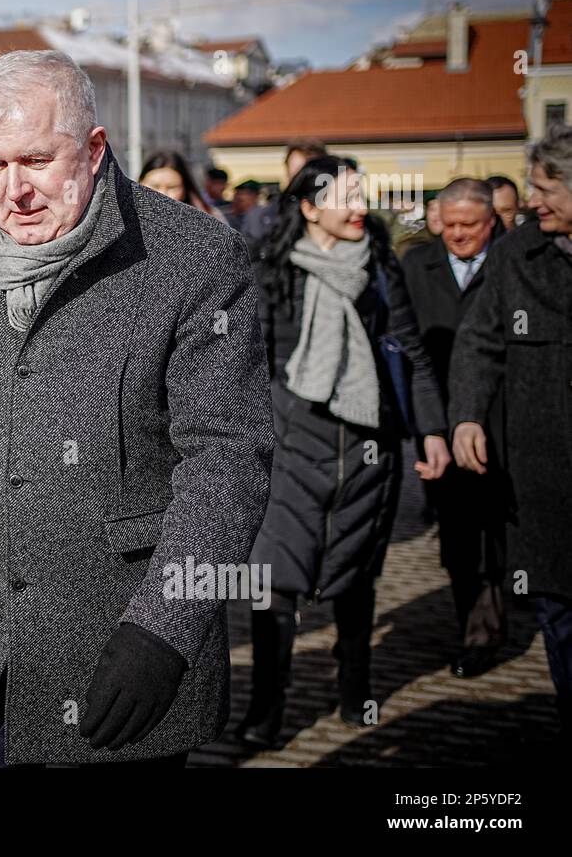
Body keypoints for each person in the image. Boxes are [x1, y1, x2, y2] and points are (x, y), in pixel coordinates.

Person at [0, 50, 274, 767]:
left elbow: (226, 457)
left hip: (118, 655)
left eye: (36, 159)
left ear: (95, 149)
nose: (14, 191)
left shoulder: (192, 258)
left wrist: (164, 627)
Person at [239, 155, 449, 748]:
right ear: (309, 207)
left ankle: (356, 685)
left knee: (355, 578)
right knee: (272, 583)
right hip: (288, 449)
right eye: (346, 197)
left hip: (367, 450)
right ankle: (267, 706)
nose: (360, 208)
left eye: (363, 195)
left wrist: (431, 429)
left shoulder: (381, 268)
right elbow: (248, 362)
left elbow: (409, 351)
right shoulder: (273, 270)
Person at [452, 124, 572, 747]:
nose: (530, 199)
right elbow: (479, 339)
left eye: (545, 187)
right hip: (546, 479)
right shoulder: (516, 256)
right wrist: (468, 414)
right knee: (559, 613)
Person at [401, 179, 509, 678]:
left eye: (472, 225)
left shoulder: (514, 264)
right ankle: (475, 627)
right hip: (440, 421)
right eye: (451, 225)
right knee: (461, 535)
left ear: (492, 222)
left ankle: (495, 616)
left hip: (506, 421)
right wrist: (425, 426)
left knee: (501, 528)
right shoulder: (417, 267)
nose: (460, 234)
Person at [240, 138, 328, 257]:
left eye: (308, 173)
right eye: (296, 172)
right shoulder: (259, 219)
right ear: (287, 173)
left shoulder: (336, 218)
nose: (301, 179)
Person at [138, 149, 226, 222]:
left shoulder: (210, 220)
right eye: (155, 186)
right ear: (140, 184)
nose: (162, 193)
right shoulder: (126, 220)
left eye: (172, 187)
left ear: (185, 190)